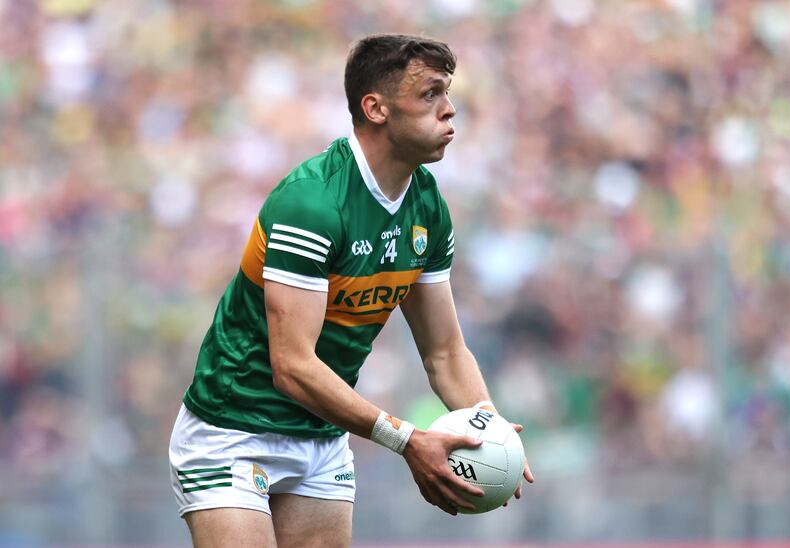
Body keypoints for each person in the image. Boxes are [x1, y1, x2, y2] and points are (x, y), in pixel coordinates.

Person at [168, 33, 534, 548]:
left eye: (448, 94)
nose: (450, 111)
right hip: (233, 429)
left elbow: (445, 353)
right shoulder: (312, 203)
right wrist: (406, 440)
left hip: (321, 437)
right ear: (376, 108)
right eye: (430, 94)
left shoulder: (427, 206)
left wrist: (489, 434)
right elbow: (292, 366)